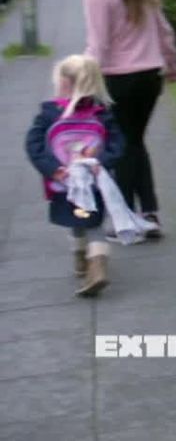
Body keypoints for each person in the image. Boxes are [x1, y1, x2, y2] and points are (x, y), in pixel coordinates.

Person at [54, 0, 176, 240]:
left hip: (119, 79)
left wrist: (76, 89)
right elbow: (163, 27)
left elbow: (98, 47)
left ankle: (125, 221)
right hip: (150, 77)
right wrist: (172, 62)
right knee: (134, 143)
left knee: (121, 148)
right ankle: (148, 214)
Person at [25, 55, 126, 297]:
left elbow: (34, 145)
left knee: (79, 221)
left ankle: (90, 264)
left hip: (64, 185)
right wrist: (101, 162)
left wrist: (52, 168)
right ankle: (89, 261)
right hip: (95, 183)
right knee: (91, 221)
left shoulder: (49, 115)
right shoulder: (102, 114)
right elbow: (118, 145)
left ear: (66, 85)